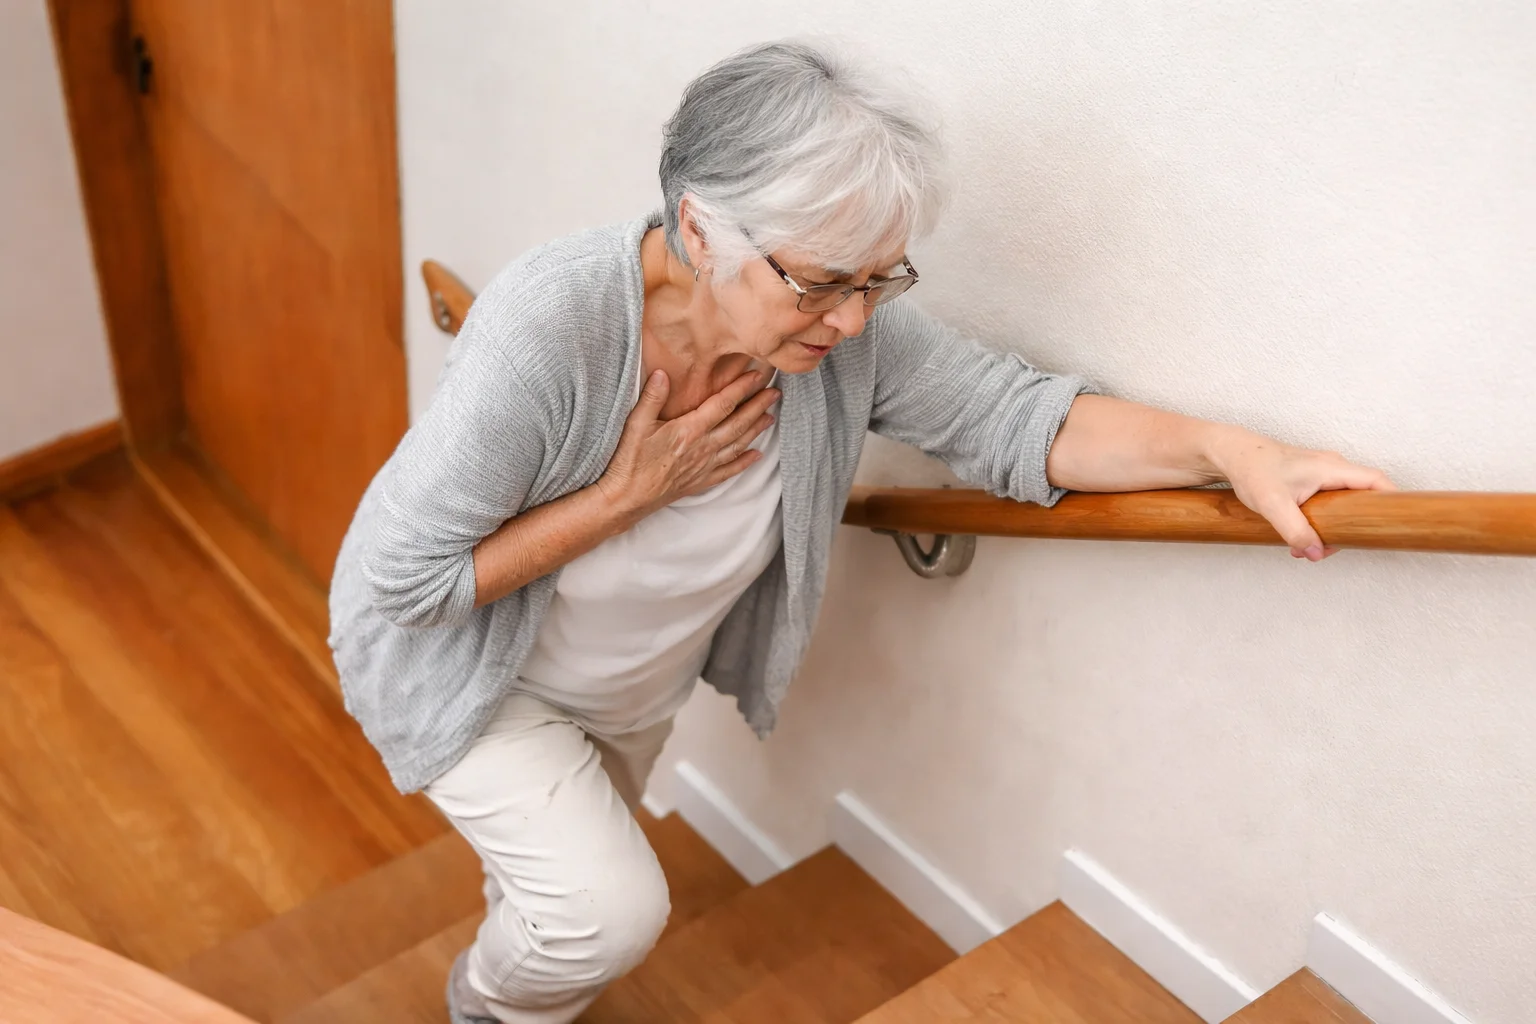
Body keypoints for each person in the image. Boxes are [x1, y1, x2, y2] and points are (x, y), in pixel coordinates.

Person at [327, 39, 1394, 1024]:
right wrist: (623, 497)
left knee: (558, 894)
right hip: (473, 670)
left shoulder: (838, 344)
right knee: (604, 913)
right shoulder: (545, 329)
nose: (850, 320)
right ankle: (484, 1008)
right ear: (699, 230)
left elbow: (1016, 417)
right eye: (821, 282)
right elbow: (404, 581)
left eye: (880, 279)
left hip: (630, 688)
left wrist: (1228, 451)